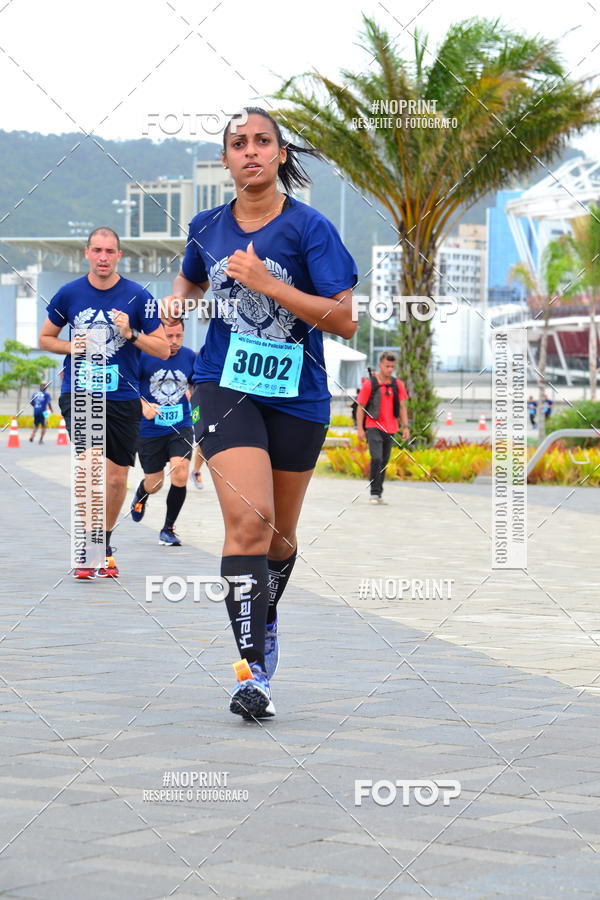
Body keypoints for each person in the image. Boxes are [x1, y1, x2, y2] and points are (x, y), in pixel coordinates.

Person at [163, 107, 357, 719]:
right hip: (224, 384)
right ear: (225, 160)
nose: (250, 151)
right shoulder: (207, 227)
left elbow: (345, 318)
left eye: (262, 141)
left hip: (299, 395)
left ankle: (263, 623)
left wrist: (270, 285)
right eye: (238, 143)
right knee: (251, 522)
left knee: (278, 538)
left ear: (279, 155)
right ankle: (251, 671)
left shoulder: (310, 229)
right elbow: (190, 280)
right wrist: (174, 305)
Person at [39, 227, 169, 579]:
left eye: (109, 251)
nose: (102, 257)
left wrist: (131, 333)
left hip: (123, 396)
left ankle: (104, 543)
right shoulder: (69, 293)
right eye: (96, 250)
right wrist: (73, 347)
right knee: (90, 466)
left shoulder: (137, 296)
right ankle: (88, 545)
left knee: (116, 479)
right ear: (86, 253)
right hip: (79, 391)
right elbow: (45, 338)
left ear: (118, 256)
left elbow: (163, 348)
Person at [130, 319, 196, 545]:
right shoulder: (142, 355)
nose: (174, 341)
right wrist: (142, 405)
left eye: (179, 336)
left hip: (181, 425)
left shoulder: (189, 356)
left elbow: (198, 383)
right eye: (169, 336)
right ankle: (142, 493)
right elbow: (126, 385)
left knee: (180, 472)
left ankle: (168, 529)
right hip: (149, 430)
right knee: (155, 483)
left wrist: (195, 396)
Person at [355, 352, 409, 504]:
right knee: (376, 458)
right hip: (373, 426)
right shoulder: (369, 384)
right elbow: (360, 408)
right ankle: (374, 492)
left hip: (391, 428)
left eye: (392, 367)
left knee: (384, 461)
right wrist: (360, 429)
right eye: (387, 366)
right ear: (380, 365)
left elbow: (403, 407)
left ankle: (378, 494)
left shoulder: (397, 384)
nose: (390, 369)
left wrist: (405, 427)